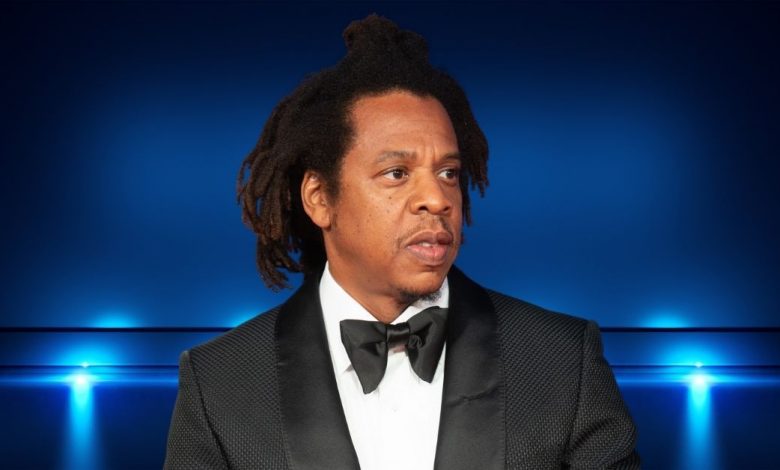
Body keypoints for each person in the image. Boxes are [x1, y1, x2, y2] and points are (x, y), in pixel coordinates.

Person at [164, 14, 639, 470]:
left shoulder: (563, 361)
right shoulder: (218, 383)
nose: (437, 198)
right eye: (396, 173)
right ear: (319, 198)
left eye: (448, 173)